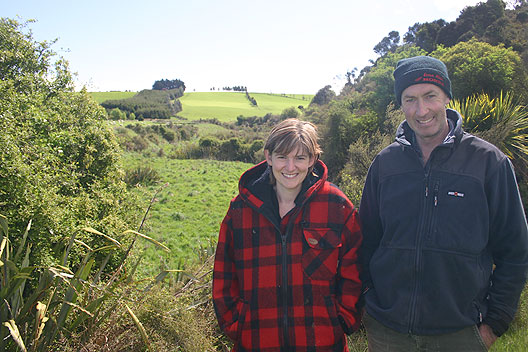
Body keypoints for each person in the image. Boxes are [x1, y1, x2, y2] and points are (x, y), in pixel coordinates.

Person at [359, 55, 528, 351]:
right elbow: (365, 241)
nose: (421, 110)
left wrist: (494, 324)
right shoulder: (385, 165)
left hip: (460, 334)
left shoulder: (488, 163)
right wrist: (366, 303)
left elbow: (515, 250)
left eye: (430, 96)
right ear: (401, 104)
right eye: (410, 99)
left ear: (447, 97)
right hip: (388, 333)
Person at [213, 118, 363, 351]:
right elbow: (224, 274)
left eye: (300, 158)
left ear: (312, 159)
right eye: (282, 157)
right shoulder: (241, 209)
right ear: (269, 157)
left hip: (322, 344)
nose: (290, 167)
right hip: (256, 343)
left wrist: (341, 319)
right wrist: (237, 324)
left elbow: (355, 269)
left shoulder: (336, 205)